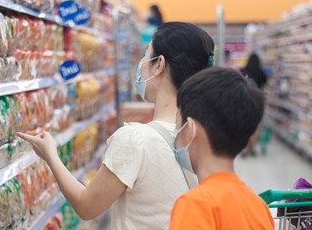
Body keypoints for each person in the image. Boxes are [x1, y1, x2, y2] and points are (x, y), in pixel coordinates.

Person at [17, 22, 215, 230]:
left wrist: (51, 155)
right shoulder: (205, 135)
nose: (140, 64)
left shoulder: (134, 140)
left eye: (145, 55)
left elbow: (86, 207)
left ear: (159, 64)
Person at [169, 67, 274, 229]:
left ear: (190, 130)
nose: (175, 133)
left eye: (177, 124)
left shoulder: (195, 205)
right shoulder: (259, 206)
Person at [241, 53, 267, 156]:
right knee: (255, 126)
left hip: (244, 99)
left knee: (244, 125)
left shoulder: (243, 70)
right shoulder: (261, 72)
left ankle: (244, 148)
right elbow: (264, 84)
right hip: (258, 101)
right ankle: (252, 149)